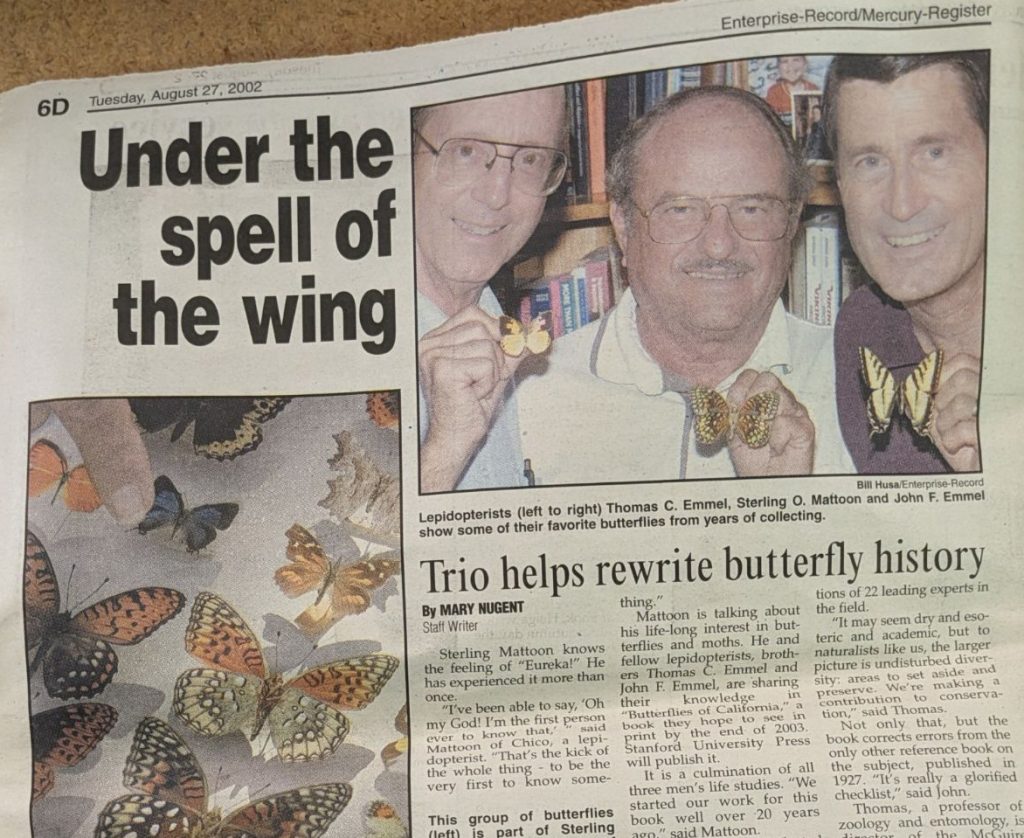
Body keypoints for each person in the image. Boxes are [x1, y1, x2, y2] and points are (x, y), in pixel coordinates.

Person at [516, 87, 852, 484]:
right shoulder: (526, 398)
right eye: (680, 209)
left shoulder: (858, 388)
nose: (719, 245)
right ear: (623, 225)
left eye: (752, 208)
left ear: (793, 221)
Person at [824, 53, 987, 473]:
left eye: (934, 153)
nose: (901, 204)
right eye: (871, 162)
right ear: (840, 186)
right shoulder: (865, 328)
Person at [414, 87, 568, 492]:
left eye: (530, 159)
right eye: (466, 151)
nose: (497, 195)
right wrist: (443, 452)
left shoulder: (522, 349)